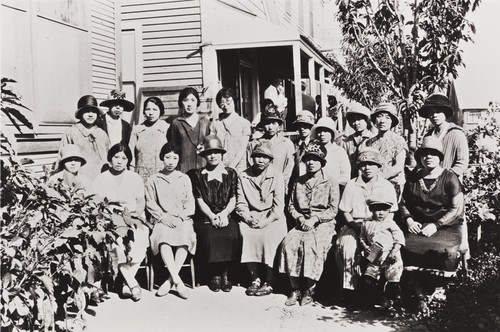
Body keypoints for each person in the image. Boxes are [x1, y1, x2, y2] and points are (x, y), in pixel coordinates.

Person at [399, 136, 465, 312]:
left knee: (446, 252)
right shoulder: (413, 177)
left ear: (440, 157)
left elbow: (456, 209)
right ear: (420, 157)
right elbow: (403, 202)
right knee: (404, 247)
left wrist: (436, 225)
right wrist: (408, 219)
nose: (428, 157)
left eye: (433, 154)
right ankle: (417, 293)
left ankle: (438, 292)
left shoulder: (450, 178)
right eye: (425, 154)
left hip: (447, 226)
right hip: (418, 224)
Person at [334, 148, 398, 308]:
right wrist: (355, 226)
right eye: (363, 164)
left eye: (371, 164)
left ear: (378, 167)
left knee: (383, 250)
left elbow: (391, 214)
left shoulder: (386, 186)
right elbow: (346, 212)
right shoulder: (352, 184)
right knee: (347, 248)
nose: (367, 168)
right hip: (355, 224)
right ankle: (350, 291)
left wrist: (377, 231)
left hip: (380, 226)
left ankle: (383, 292)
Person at [278, 143, 339, 306]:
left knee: (313, 245)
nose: (311, 163)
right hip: (302, 221)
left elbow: (333, 209)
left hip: (323, 223)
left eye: (315, 159)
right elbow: (291, 205)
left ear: (322, 163)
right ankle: (295, 288)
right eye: (308, 159)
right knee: (289, 243)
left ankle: (310, 289)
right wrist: (299, 218)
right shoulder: (298, 182)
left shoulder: (331, 182)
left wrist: (315, 219)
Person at [91, 143, 149, 302]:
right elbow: (96, 204)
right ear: (110, 158)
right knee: (117, 243)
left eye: (124, 158)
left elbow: (141, 201)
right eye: (116, 157)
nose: (119, 161)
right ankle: (132, 283)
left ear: (128, 160)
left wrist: (136, 214)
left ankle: (124, 283)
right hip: (110, 219)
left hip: (132, 217)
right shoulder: (101, 179)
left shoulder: (134, 178)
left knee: (139, 241)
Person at [187, 135, 240, 293]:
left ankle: (226, 274)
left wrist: (224, 214)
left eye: (216, 152)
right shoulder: (197, 174)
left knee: (232, 233)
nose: (213, 156)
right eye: (209, 153)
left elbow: (233, 198)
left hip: (226, 213)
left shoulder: (230, 173)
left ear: (221, 154)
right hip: (205, 215)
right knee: (210, 235)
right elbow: (199, 200)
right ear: (204, 155)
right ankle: (214, 274)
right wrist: (212, 216)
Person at [145, 142, 196, 299]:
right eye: (167, 157)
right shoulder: (153, 179)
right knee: (163, 237)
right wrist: (163, 217)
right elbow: (150, 202)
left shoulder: (184, 178)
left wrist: (181, 217)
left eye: (175, 158)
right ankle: (178, 282)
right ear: (162, 158)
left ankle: (170, 280)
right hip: (163, 219)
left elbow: (189, 201)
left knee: (185, 236)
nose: (171, 161)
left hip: (182, 219)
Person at [236, 141, 287, 297]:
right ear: (252, 158)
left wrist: (266, 221)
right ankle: (255, 278)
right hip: (251, 216)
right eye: (258, 156)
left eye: (265, 157)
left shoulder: (277, 175)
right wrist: (248, 218)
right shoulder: (243, 176)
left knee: (269, 236)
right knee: (247, 234)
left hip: (272, 217)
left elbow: (279, 207)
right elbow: (241, 203)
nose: (261, 160)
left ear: (270, 160)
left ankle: (270, 280)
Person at [359, 192, 404, 310]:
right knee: (368, 279)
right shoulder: (367, 222)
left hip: (390, 256)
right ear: (371, 209)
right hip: (374, 255)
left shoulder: (390, 223)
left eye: (384, 210)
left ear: (389, 211)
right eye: (377, 209)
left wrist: (393, 252)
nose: (380, 213)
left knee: (393, 280)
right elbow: (362, 237)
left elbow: (399, 239)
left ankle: (393, 303)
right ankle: (370, 302)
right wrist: (365, 247)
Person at [418, 93, 469, 179]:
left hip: (450, 182)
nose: (434, 115)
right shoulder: (428, 135)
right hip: (430, 181)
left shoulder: (457, 133)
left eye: (438, 111)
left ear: (445, 112)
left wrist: (445, 178)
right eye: (431, 112)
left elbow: (462, 163)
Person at [60, 95, 110, 179]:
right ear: (80, 113)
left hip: (101, 178)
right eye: (87, 111)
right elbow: (62, 158)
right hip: (79, 180)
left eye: (93, 112)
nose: (90, 115)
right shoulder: (71, 132)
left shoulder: (102, 134)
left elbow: (109, 157)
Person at [246, 105, 295, 191]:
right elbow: (250, 166)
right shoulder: (255, 144)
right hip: (259, 187)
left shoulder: (287, 144)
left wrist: (279, 184)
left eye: (274, 123)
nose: (271, 127)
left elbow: (289, 167)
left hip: (280, 187)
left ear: (279, 125)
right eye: (267, 123)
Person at [365, 103, 407, 198]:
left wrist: (380, 178)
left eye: (387, 117)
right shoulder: (370, 142)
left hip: (392, 184)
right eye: (379, 117)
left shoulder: (399, 140)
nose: (382, 121)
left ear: (392, 121)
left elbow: (399, 166)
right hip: (372, 184)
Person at [168, 87, 211, 173]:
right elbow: (172, 148)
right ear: (181, 102)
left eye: (193, 100)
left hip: (203, 167)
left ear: (197, 102)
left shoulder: (205, 121)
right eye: (186, 100)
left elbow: (211, 145)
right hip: (183, 168)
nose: (189, 104)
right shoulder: (176, 123)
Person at [210, 87, 252, 173]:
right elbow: (212, 145)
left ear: (234, 101)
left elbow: (243, 147)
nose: (225, 105)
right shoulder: (215, 123)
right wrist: (220, 165)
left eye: (228, 101)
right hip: (219, 166)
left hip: (239, 166)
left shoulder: (244, 123)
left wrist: (232, 166)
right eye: (222, 103)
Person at [128, 96, 169, 182]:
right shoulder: (137, 130)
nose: (151, 113)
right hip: (141, 176)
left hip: (162, 175)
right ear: (144, 111)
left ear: (160, 111)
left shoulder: (166, 128)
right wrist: (133, 177)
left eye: (155, 109)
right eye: (148, 109)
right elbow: (131, 155)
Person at [309, 117, 350, 187]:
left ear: (332, 133)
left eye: (325, 131)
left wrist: (332, 185)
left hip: (335, 189)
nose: (322, 134)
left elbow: (345, 175)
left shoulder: (340, 152)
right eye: (319, 131)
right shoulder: (312, 150)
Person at [342, 105, 374, 178]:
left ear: (367, 120)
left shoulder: (372, 139)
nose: (356, 123)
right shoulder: (347, 141)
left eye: (359, 119)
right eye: (353, 120)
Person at [290, 110, 315, 187]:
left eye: (306, 125)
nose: (302, 129)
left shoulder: (315, 145)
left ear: (311, 127)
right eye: (300, 125)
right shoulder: (293, 144)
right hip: (295, 183)